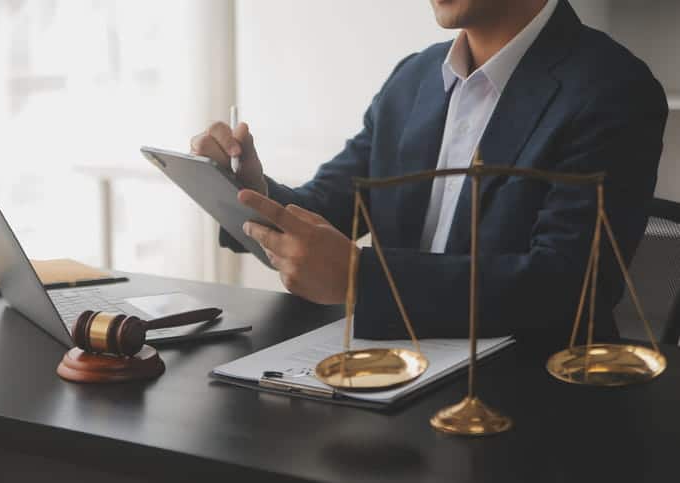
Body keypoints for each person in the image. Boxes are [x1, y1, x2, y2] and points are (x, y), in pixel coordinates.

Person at [190, 0, 668, 340]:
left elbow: (567, 285)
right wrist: (246, 190)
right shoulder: (412, 79)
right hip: (395, 367)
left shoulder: (612, 88)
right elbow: (329, 210)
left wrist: (362, 279)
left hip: (529, 391)